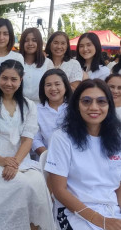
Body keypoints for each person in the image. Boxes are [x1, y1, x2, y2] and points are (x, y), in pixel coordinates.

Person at [0, 59, 55, 230]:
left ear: (21, 80)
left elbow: (27, 138)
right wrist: (1, 160)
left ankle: (33, 225)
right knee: (20, 183)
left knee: (37, 181)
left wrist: (14, 162)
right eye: (4, 78)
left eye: (14, 79)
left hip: (17, 157)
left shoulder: (29, 105)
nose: (8, 83)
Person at [45, 79, 121, 230]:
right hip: (72, 211)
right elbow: (59, 190)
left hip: (112, 210)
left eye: (101, 101)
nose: (94, 107)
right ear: (77, 106)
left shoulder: (117, 138)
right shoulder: (62, 138)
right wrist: (100, 221)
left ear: (109, 106)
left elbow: (118, 186)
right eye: (86, 101)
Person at [32, 69, 72, 156]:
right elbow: (35, 139)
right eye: (48, 85)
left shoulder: (75, 108)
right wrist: (49, 157)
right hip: (46, 160)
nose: (53, 88)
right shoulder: (35, 110)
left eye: (57, 84)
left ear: (65, 86)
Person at [0, 18, 24, 90]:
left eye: (5, 34)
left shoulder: (17, 58)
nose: (1, 37)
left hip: (8, 100)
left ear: (10, 36)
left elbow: (18, 84)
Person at [19, 27, 54, 104]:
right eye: (26, 40)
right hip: (19, 106)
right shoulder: (17, 61)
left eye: (34, 40)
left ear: (39, 42)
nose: (30, 43)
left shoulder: (47, 63)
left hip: (41, 107)